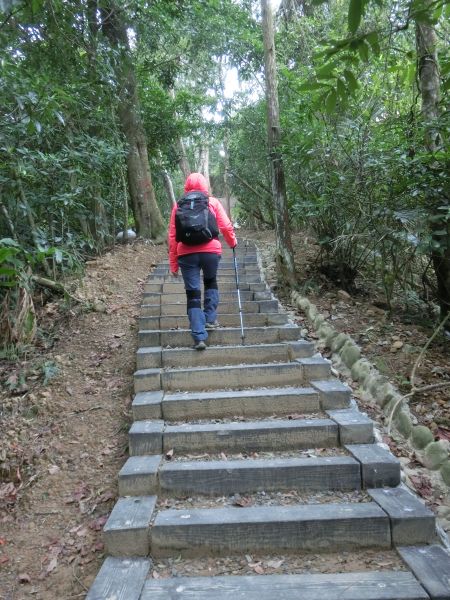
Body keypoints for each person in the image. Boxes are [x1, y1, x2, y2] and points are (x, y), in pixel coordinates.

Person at [168, 173, 237, 350]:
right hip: (210, 252)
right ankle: (210, 319)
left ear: (186, 186)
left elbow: (173, 237)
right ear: (204, 185)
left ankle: (199, 336)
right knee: (211, 282)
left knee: (193, 294)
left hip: (186, 254)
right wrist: (232, 242)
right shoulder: (212, 202)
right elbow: (225, 226)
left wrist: (173, 264)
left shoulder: (179, 205)